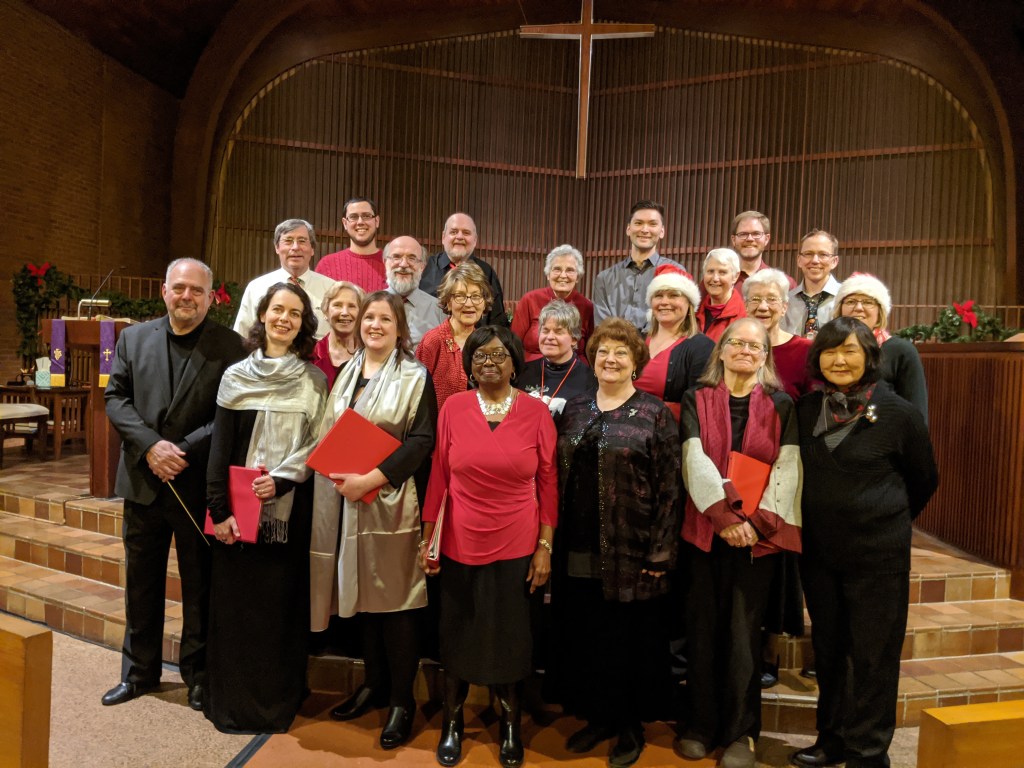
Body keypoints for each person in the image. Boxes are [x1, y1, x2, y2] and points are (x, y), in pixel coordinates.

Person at [791, 317, 937, 768]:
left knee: (874, 656)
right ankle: (832, 738)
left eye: (850, 350)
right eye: (830, 351)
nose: (839, 360)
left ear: (870, 356)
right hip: (820, 554)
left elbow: (924, 479)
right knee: (829, 649)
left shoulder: (899, 413)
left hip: (878, 555)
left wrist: (883, 519)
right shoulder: (805, 409)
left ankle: (868, 752)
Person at [103, 258, 246, 709]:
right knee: (140, 583)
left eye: (196, 290)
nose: (187, 296)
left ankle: (198, 675)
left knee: (199, 586)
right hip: (144, 479)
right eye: (179, 288)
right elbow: (116, 398)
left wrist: (180, 449)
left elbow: (229, 414)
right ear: (164, 291)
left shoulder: (231, 346)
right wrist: (151, 446)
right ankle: (138, 673)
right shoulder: (133, 338)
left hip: (196, 481)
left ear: (211, 297)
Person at [418, 327, 558, 768]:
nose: (489, 363)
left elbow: (548, 482)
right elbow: (439, 476)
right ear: (469, 365)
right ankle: (453, 722)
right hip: (460, 538)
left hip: (518, 541)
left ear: (515, 362)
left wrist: (545, 546)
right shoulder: (454, 408)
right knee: (458, 630)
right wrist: (429, 539)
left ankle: (511, 724)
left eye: (499, 355)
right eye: (479, 356)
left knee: (511, 635)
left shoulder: (536, 412)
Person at [550, 318, 681, 768]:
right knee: (587, 634)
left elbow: (670, 488)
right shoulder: (575, 409)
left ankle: (629, 726)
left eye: (621, 352)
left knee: (629, 640)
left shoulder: (654, 413)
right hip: (577, 543)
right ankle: (599, 716)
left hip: (632, 547)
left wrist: (660, 553)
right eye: (603, 351)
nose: (611, 359)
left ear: (636, 362)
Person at [311, 291, 437, 749]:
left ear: (400, 328)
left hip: (390, 499)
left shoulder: (415, 376)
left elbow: (421, 441)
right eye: (369, 318)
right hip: (344, 499)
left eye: (385, 319)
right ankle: (374, 684)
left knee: (395, 601)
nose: (375, 325)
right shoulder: (348, 371)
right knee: (362, 595)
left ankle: (402, 700)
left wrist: (371, 479)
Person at [676, 318, 802, 768]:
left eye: (756, 346)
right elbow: (693, 458)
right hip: (705, 533)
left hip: (756, 541)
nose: (746, 350)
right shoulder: (697, 397)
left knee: (744, 638)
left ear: (765, 356)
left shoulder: (782, 404)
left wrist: (756, 523)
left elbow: (788, 467)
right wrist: (727, 519)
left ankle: (741, 733)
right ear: (722, 349)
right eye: (738, 343)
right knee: (702, 631)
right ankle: (700, 725)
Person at [203, 282, 328, 733]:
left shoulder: (314, 381)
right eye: (278, 310)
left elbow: (318, 445)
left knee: (279, 611)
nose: (284, 319)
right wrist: (219, 510)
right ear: (262, 315)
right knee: (236, 611)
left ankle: (278, 702)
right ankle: (232, 704)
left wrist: (281, 479)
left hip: (288, 514)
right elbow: (220, 447)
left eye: (294, 313)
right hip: (238, 513)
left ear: (303, 324)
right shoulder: (235, 376)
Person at [833, 273, 928, 421]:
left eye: (868, 302)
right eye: (851, 301)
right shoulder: (828, 349)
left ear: (880, 311)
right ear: (840, 310)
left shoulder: (901, 350)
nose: (858, 308)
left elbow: (916, 411)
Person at [633, 263, 714, 420]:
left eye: (673, 295)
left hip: (670, 430)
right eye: (658, 295)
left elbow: (699, 407)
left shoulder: (702, 347)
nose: (664, 302)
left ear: (689, 303)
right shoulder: (636, 340)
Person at [234, 218, 335, 339]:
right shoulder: (256, 287)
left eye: (302, 241)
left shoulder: (331, 289)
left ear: (312, 249)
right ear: (277, 247)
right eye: (288, 241)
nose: (295, 247)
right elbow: (241, 336)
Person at [592, 200, 683, 333]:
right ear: (628, 229)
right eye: (638, 223)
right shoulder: (605, 278)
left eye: (652, 224)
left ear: (662, 231)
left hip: (659, 344)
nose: (644, 230)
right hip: (614, 344)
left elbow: (676, 317)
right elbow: (602, 326)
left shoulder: (675, 273)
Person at [416, 262, 492, 411]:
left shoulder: (487, 343)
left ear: (484, 303)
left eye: (476, 296)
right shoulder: (433, 341)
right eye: (460, 296)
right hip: (439, 423)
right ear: (448, 302)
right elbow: (416, 392)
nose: (469, 304)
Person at [420, 212, 508, 326]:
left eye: (466, 233)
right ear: (443, 237)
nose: (460, 237)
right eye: (453, 232)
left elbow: (497, 320)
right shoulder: (424, 268)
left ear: (475, 240)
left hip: (476, 337)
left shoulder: (486, 272)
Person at [511, 244, 594, 361]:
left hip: (574, 367)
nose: (563, 275)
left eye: (570, 270)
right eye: (557, 269)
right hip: (533, 366)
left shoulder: (587, 306)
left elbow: (591, 348)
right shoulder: (530, 300)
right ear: (548, 275)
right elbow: (514, 343)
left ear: (578, 277)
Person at [518, 299, 597, 418]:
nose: (550, 337)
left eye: (558, 332)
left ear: (574, 339)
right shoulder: (522, 373)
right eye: (545, 331)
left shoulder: (590, 381)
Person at [744, 269, 813, 401]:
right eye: (755, 299)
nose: (763, 307)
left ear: (784, 307)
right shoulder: (735, 348)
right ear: (746, 306)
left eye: (771, 299)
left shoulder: (805, 350)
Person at [383, 235, 446, 348]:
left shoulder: (439, 311)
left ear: (422, 266)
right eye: (396, 257)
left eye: (412, 258)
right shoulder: (369, 306)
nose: (403, 264)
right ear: (385, 262)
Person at [315, 197, 388, 291]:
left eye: (366, 216)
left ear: (377, 221)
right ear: (345, 223)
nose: (360, 222)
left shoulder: (392, 264)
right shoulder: (327, 265)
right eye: (353, 217)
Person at [781, 229, 842, 338]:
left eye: (823, 254)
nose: (815, 260)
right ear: (799, 260)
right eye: (808, 254)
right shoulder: (786, 301)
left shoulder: (845, 298)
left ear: (834, 261)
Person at [311, 280, 364, 389]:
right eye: (337, 305)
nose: (345, 312)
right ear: (326, 312)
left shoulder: (371, 354)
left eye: (352, 306)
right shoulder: (311, 354)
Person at [729, 210, 796, 290]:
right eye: (743, 234)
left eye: (756, 234)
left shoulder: (785, 284)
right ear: (733, 240)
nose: (750, 239)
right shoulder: (720, 281)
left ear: (766, 239)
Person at [696, 248, 747, 342]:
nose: (715, 278)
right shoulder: (694, 312)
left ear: (735, 276)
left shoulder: (744, 316)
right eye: (710, 271)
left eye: (722, 272)